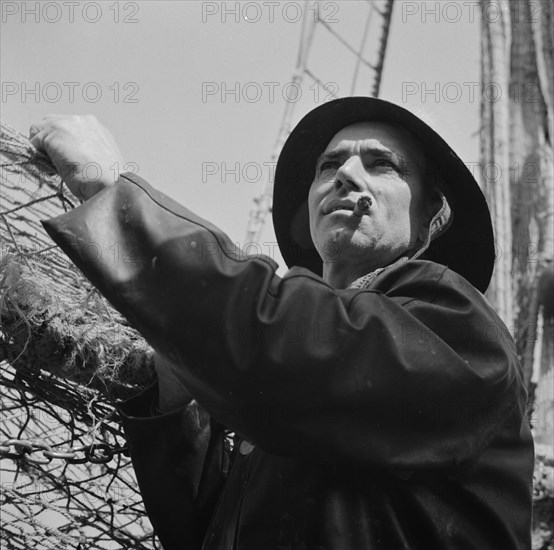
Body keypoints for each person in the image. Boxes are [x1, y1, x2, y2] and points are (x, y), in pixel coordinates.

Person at [33, 97, 533, 550]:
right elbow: (205, 534)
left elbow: (294, 347)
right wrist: (176, 400)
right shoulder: (283, 402)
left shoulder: (457, 326)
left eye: (382, 164)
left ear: (433, 215)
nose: (346, 175)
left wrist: (113, 196)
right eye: (329, 165)